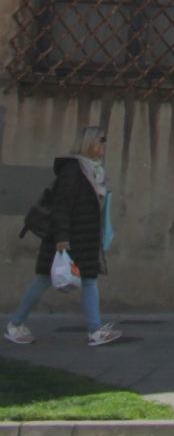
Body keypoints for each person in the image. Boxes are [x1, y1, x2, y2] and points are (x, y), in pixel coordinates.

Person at [8, 125, 120, 349]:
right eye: (100, 141)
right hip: (67, 237)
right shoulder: (74, 169)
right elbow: (62, 205)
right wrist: (62, 238)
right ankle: (15, 324)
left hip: (87, 238)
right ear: (88, 142)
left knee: (89, 279)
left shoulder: (95, 170)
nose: (103, 146)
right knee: (45, 278)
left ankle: (94, 330)